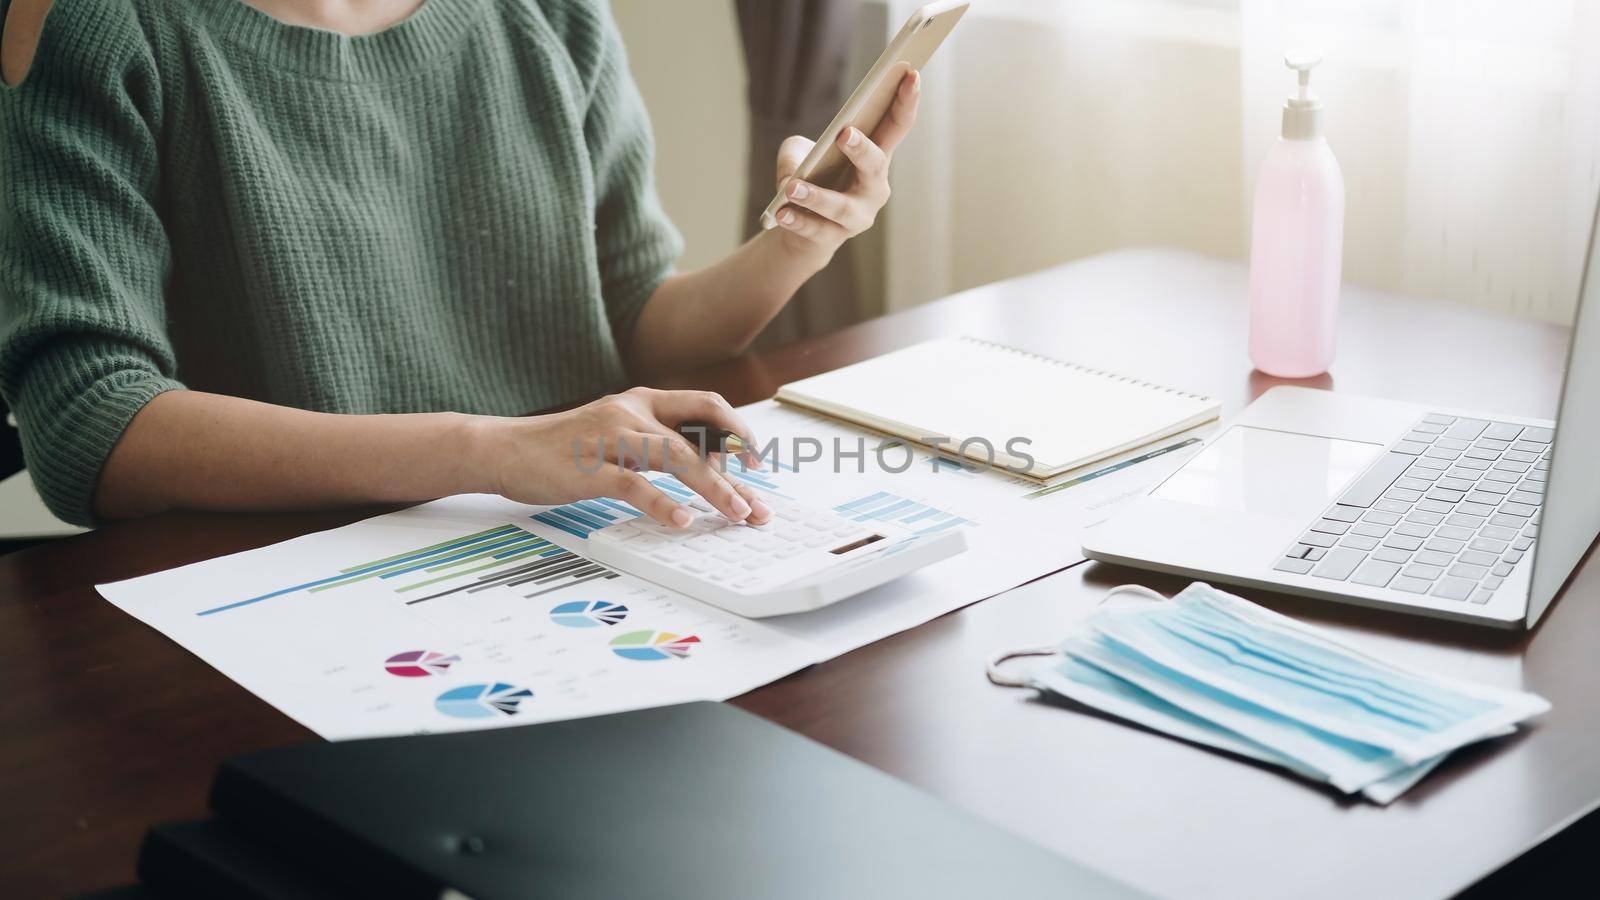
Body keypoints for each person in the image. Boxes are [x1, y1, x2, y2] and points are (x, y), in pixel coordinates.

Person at [0, 0, 920, 530]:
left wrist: (801, 240)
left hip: (567, 543)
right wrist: (491, 451)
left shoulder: (548, 10)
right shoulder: (98, 22)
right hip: (294, 580)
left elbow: (635, 319)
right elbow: (91, 425)